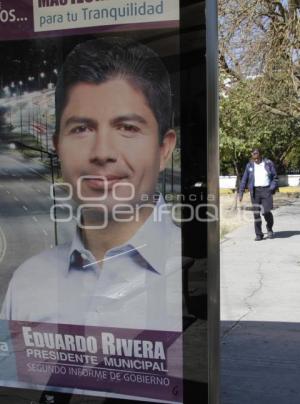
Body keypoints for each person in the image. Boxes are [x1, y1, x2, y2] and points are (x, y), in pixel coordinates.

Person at [0, 37, 182, 331]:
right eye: (82, 129)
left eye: (127, 128)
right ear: (58, 147)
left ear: (164, 149)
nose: (102, 153)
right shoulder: (27, 284)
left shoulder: (194, 277)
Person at [239, 147, 278, 241]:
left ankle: (269, 228)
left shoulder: (268, 163)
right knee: (256, 213)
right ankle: (259, 234)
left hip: (266, 190)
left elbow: (275, 178)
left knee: (266, 211)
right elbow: (244, 180)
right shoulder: (249, 166)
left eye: (256, 154)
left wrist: (271, 188)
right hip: (255, 192)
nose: (254, 156)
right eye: (253, 154)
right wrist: (241, 192)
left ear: (260, 154)